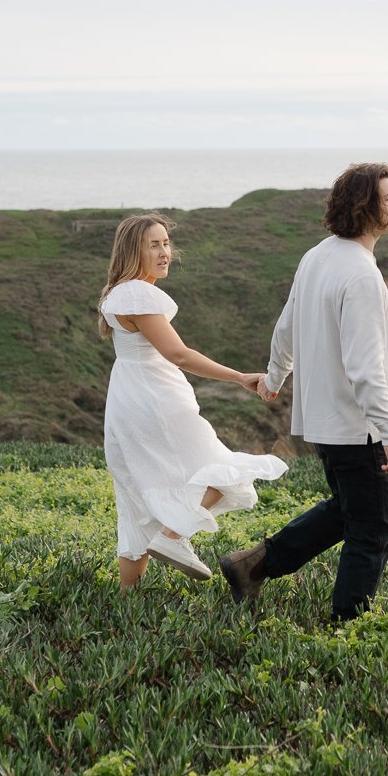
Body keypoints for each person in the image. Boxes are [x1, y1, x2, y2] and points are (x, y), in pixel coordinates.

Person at [221, 163, 388, 620]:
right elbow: (365, 367)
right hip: (357, 427)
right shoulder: (362, 276)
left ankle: (251, 565)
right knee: (372, 530)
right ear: (366, 208)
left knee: (348, 511)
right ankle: (348, 626)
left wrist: (275, 377)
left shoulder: (319, 255)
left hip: (325, 424)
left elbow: (286, 325)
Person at [97, 212, 287, 590]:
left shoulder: (117, 294)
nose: (165, 251)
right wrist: (238, 377)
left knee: (135, 501)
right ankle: (172, 536)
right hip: (156, 397)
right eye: (154, 244)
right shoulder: (138, 293)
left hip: (126, 399)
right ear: (133, 250)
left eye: (166, 243)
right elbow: (179, 355)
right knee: (222, 468)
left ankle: (127, 604)